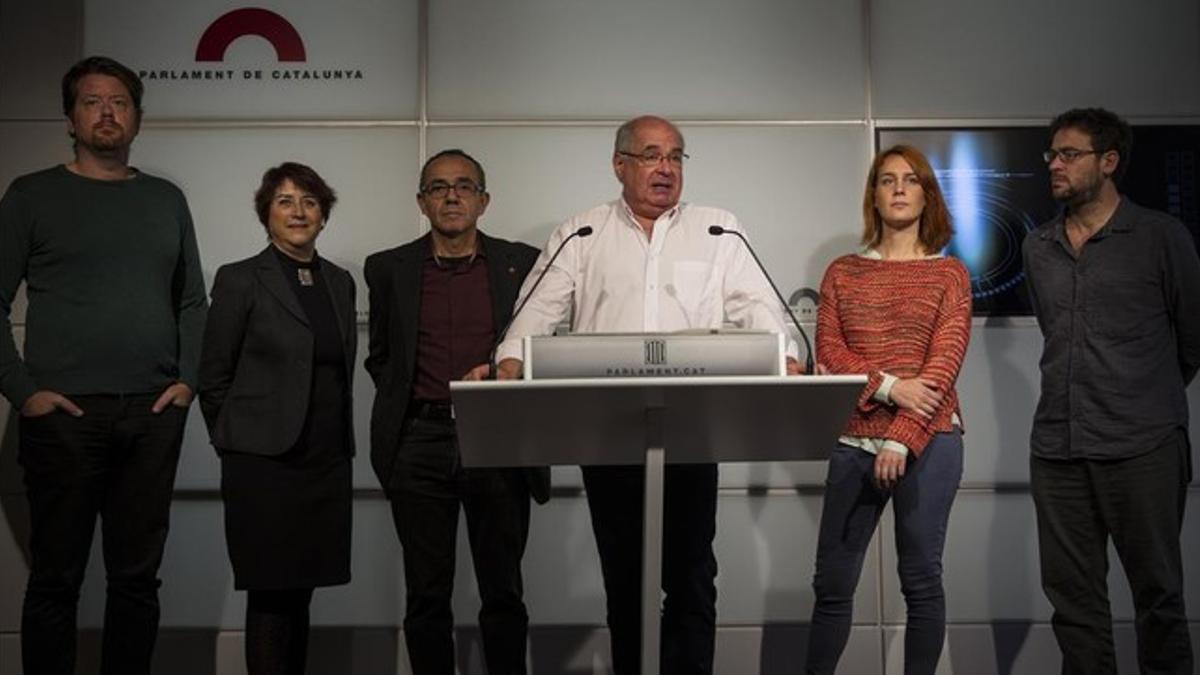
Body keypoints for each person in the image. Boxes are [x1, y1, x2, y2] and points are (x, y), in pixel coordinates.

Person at [495, 115, 796, 674]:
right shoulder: (582, 233)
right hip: (607, 435)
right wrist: (510, 359)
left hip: (693, 429)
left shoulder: (718, 229)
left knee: (691, 579)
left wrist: (788, 354)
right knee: (626, 582)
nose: (666, 168)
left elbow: (758, 306)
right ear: (620, 165)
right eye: (652, 155)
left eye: (676, 157)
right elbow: (537, 310)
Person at [0, 56, 207, 675]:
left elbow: (192, 301)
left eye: (119, 101)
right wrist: (22, 391)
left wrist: (188, 381)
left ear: (137, 117)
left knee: (137, 581)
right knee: (56, 582)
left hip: (150, 414)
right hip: (62, 416)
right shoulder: (32, 195)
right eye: (92, 101)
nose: (107, 112)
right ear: (70, 118)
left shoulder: (166, 198)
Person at [1023, 108, 1198, 675]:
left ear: (1109, 161)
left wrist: (1139, 397)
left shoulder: (1160, 236)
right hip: (1058, 449)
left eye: (1069, 154)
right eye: (1052, 154)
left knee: (1159, 599)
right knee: (1074, 608)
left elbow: (1192, 341)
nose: (1055, 164)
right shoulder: (1038, 246)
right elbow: (1056, 334)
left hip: (1143, 445)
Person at [364, 149, 549, 674]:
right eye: (439, 187)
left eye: (465, 186)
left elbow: (539, 349)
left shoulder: (523, 264)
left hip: (497, 436)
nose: (452, 196)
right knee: (426, 594)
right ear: (422, 201)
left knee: (504, 591)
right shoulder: (387, 269)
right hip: (419, 442)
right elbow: (381, 358)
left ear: (484, 201)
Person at [805, 145, 971, 675]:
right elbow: (830, 355)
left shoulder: (949, 275)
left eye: (910, 180)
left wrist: (901, 436)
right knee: (832, 585)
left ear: (927, 194)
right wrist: (892, 387)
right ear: (873, 195)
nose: (898, 188)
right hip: (854, 437)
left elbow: (944, 364)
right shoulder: (843, 272)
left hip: (929, 438)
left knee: (921, 581)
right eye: (886, 180)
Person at [197, 162, 355, 675]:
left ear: (324, 215)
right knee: (269, 597)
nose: (298, 212)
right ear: (265, 213)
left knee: (302, 593)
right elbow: (214, 375)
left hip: (324, 461)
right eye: (285, 201)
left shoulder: (339, 281)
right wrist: (236, 442)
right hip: (262, 466)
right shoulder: (241, 278)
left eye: (309, 202)